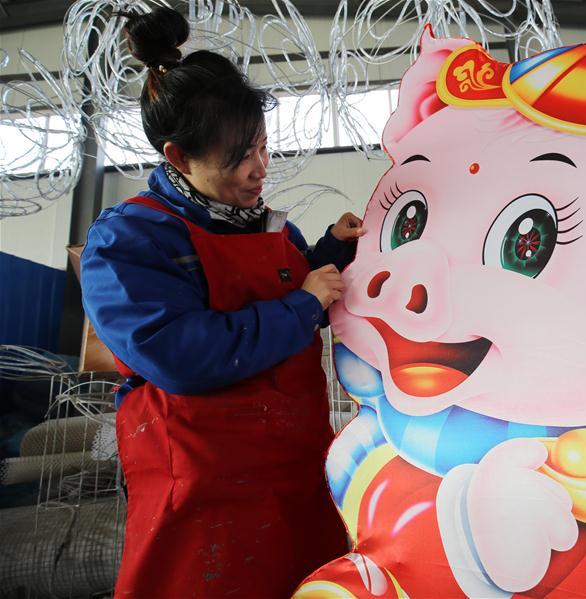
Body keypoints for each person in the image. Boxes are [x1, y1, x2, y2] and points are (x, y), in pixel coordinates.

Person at [80, 7, 358, 597]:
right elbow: (177, 354)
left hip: (294, 467)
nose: (260, 169)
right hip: (204, 485)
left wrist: (335, 248)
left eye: (261, 146)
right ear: (178, 157)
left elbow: (297, 284)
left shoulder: (265, 225)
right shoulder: (128, 239)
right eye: (238, 157)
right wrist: (304, 307)